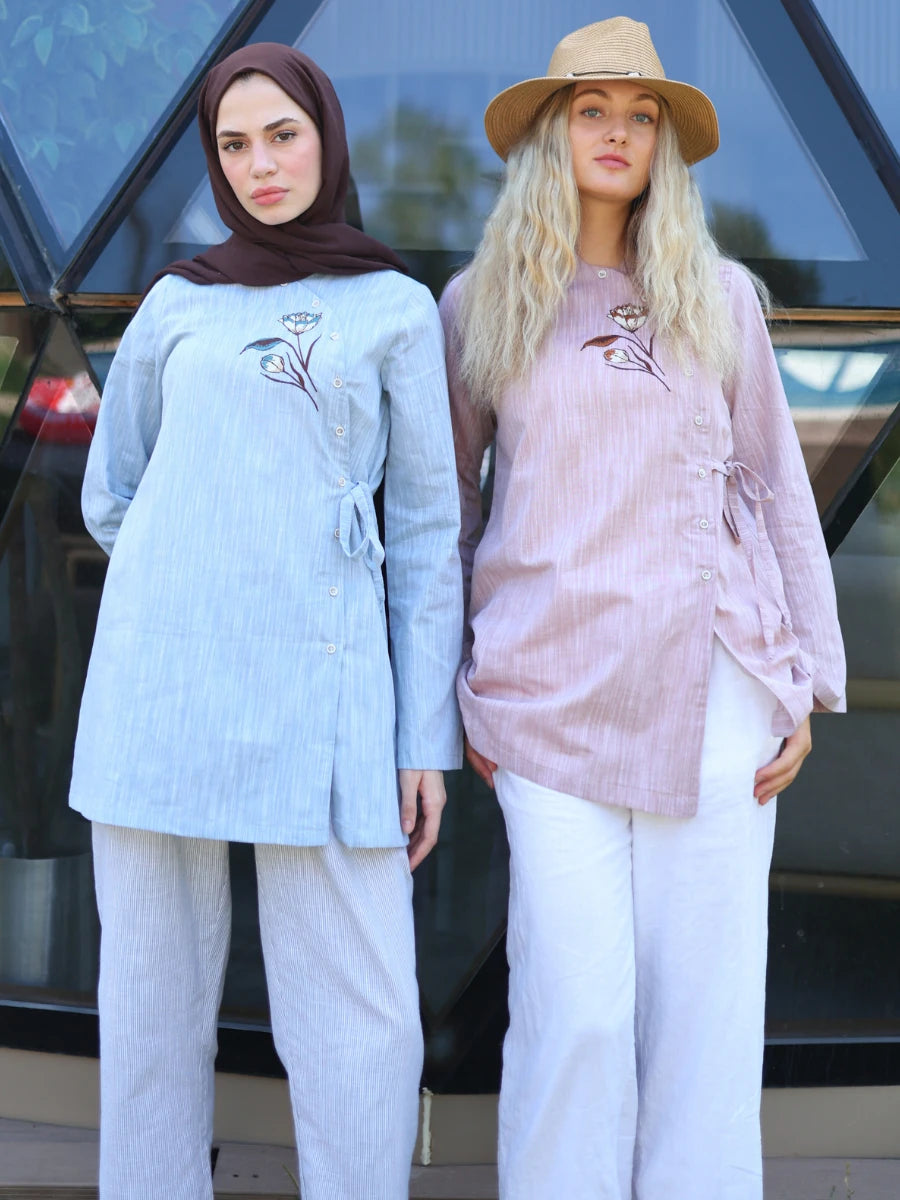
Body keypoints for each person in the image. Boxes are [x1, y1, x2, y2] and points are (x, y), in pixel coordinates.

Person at [440, 17, 845, 1200]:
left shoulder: (719, 298)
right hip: (542, 700)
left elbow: (775, 489)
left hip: (713, 695)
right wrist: (457, 685)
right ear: (551, 134)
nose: (618, 133)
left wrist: (804, 681)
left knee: (704, 1023)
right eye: (592, 110)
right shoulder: (479, 305)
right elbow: (447, 511)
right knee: (575, 1013)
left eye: (641, 114)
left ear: (664, 142)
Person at [69, 42, 462, 1200]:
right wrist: (200, 571)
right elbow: (113, 492)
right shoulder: (177, 302)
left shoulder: (393, 308)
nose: (260, 165)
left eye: (282, 135)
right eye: (235, 144)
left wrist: (422, 739)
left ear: (326, 138)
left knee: (362, 1022)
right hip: (159, 690)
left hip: (325, 690)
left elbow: (427, 531)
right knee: (149, 1013)